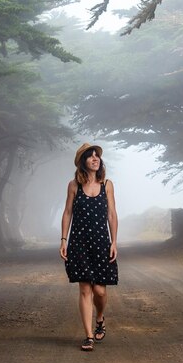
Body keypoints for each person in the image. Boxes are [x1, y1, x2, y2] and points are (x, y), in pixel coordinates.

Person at [60, 143, 118, 352]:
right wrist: (63, 240)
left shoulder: (107, 184)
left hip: (102, 242)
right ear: (83, 162)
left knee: (100, 291)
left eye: (97, 156)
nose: (95, 159)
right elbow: (67, 213)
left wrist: (114, 241)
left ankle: (100, 318)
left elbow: (112, 214)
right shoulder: (74, 185)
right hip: (79, 243)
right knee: (85, 288)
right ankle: (89, 336)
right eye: (90, 156)